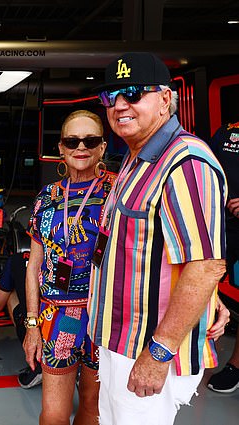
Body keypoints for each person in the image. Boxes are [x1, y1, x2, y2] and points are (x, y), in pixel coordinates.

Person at [87, 52, 228, 425]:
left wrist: (159, 353)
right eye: (111, 97)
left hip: (148, 350)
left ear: (166, 99)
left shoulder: (185, 163)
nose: (119, 106)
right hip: (121, 341)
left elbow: (204, 265)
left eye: (133, 93)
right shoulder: (137, 157)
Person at [22, 109, 112, 425]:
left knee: (92, 406)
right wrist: (31, 324)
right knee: (55, 414)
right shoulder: (47, 197)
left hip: (105, 318)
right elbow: (33, 265)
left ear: (103, 146)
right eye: (72, 141)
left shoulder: (118, 193)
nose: (81, 147)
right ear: (60, 148)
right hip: (58, 316)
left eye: (90, 140)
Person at [207, 121, 239, 393]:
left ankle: (236, 366)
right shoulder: (228, 130)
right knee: (203, 287)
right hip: (221, 226)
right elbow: (206, 170)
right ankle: (197, 352)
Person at [0, 251, 43, 389]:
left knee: (10, 294)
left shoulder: (16, 260)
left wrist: (1, 283)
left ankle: (36, 362)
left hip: (36, 326)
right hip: (67, 325)